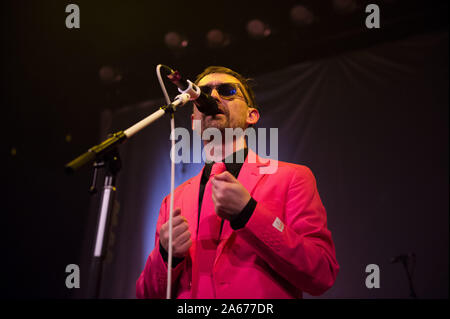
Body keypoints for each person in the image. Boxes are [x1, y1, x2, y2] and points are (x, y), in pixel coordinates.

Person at [136, 66, 339, 298]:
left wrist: (249, 214)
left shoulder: (293, 178)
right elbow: (147, 295)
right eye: (201, 92)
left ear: (251, 115)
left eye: (227, 91)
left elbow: (322, 273)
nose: (212, 97)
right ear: (194, 120)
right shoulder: (172, 201)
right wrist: (165, 255)